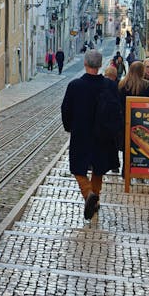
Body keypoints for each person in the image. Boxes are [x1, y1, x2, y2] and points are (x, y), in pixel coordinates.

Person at [61, 49, 122, 220]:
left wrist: (69, 127)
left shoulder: (75, 86)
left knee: (78, 168)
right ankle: (95, 200)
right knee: (98, 169)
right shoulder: (110, 85)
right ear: (100, 65)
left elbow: (66, 110)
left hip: (81, 134)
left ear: (85, 63)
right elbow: (117, 110)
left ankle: (89, 194)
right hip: (103, 135)